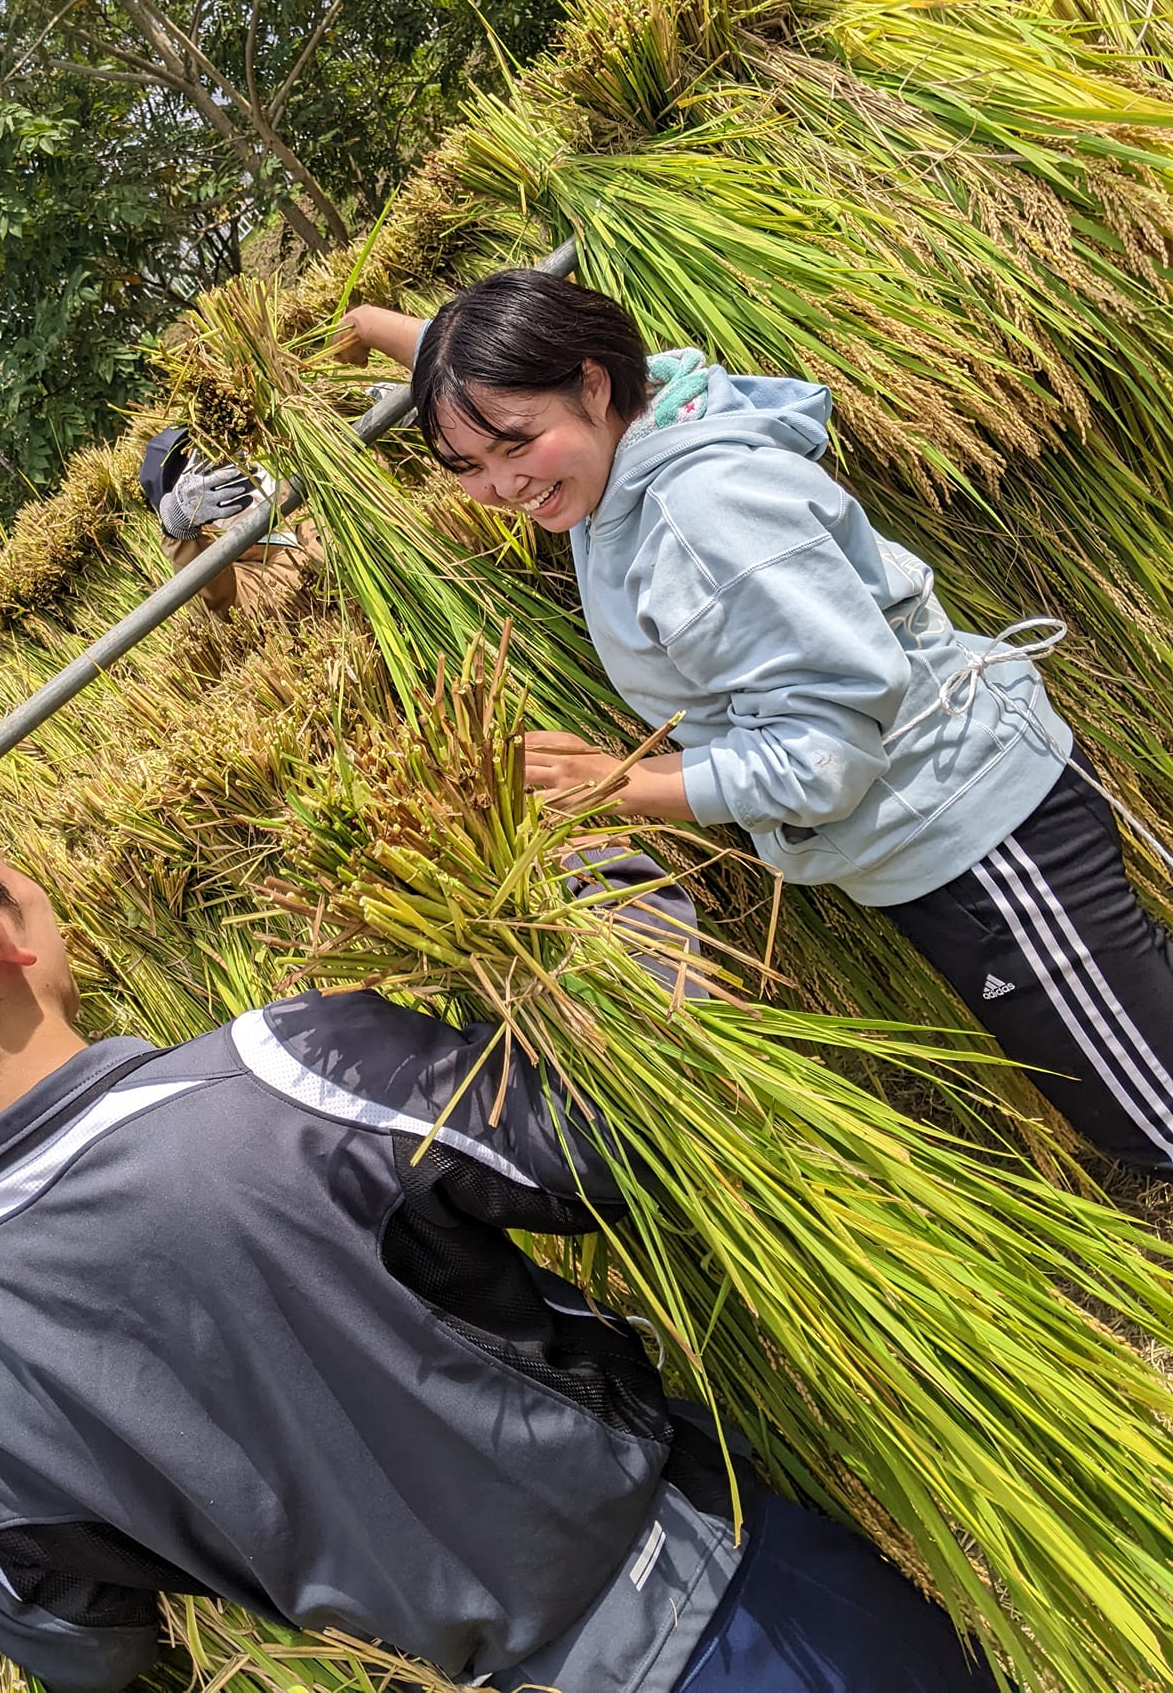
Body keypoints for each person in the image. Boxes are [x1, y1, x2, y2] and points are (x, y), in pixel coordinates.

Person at [0, 755, 996, 1693]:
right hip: (743, 1619)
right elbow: (628, 1140)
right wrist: (610, 891)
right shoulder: (287, 1072)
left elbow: (90, 1650)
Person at [341, 271, 1173, 1173]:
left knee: (1152, 1118)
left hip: (977, 836)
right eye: (467, 466)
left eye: (516, 446)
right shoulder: (634, 426)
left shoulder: (698, 516)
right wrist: (375, 326)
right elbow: (485, 373)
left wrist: (622, 785)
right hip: (950, 825)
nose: (502, 486)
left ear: (591, 382)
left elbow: (825, 753)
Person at [138, 424, 313, 620]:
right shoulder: (238, 584)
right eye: (204, 475)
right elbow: (215, 604)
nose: (223, 468)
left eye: (217, 454)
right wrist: (178, 531)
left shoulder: (305, 483)